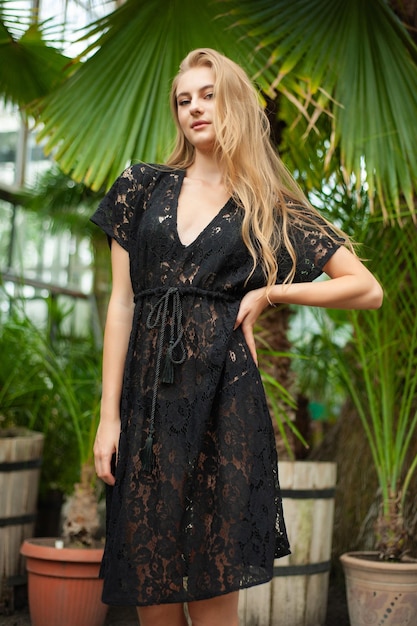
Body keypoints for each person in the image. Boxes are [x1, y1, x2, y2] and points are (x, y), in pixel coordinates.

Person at [91, 48, 383, 626]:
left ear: (236, 105)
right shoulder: (140, 187)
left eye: (208, 94)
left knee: (212, 582)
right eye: (184, 99)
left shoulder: (268, 208)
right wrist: (108, 418)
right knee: (151, 591)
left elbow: (364, 287)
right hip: (147, 409)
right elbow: (121, 304)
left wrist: (271, 293)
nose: (195, 108)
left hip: (225, 406)